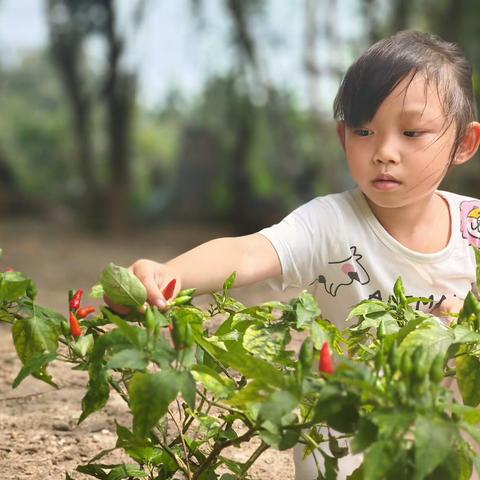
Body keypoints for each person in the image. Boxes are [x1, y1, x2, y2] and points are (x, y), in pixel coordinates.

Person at [117, 31, 480, 479]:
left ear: (463, 143)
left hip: (449, 452)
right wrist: (166, 273)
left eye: (411, 132)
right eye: (365, 131)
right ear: (344, 138)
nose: (384, 152)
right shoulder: (328, 223)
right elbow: (248, 253)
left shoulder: (473, 227)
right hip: (347, 452)